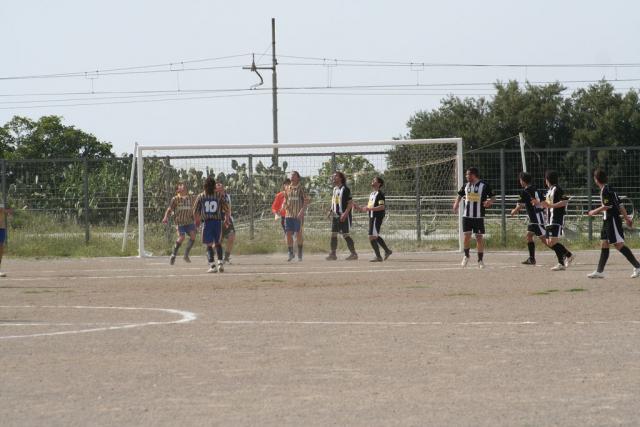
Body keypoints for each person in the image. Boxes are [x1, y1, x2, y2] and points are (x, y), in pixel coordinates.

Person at [586, 168, 640, 279]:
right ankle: (600, 271)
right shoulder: (609, 189)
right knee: (604, 243)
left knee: (618, 245)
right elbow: (620, 205)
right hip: (607, 220)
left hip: (612, 220)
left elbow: (607, 206)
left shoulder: (605, 190)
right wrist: (627, 218)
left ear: (596, 179)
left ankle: (638, 266)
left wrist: (593, 212)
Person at [453, 167, 495, 269]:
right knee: (466, 237)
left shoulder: (484, 185)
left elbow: (493, 197)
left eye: (468, 174)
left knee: (479, 238)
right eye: (466, 174)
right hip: (466, 216)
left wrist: (489, 202)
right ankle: (466, 256)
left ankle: (480, 260)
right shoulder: (466, 185)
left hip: (478, 217)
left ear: (474, 175)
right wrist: (456, 204)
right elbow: (460, 195)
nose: (466, 176)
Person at [192, 176, 230, 273]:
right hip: (217, 222)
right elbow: (226, 208)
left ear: (204, 186)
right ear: (214, 186)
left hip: (207, 223)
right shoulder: (218, 195)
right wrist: (227, 219)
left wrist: (197, 221)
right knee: (218, 243)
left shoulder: (201, 196)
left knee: (209, 245)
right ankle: (220, 263)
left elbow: (195, 210)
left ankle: (213, 266)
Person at [539, 170, 575, 271]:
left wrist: (551, 206)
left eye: (546, 178)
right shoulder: (549, 191)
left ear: (548, 179)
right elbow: (547, 204)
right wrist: (541, 205)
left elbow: (565, 201)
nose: (545, 181)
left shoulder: (557, 189)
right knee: (548, 242)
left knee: (552, 241)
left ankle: (561, 262)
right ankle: (568, 255)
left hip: (556, 218)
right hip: (549, 219)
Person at [510, 171, 548, 265]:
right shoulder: (535, 189)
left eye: (520, 180)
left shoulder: (525, 191)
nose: (520, 182)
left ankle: (564, 253)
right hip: (535, 217)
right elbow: (542, 201)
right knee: (529, 235)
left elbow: (520, 205)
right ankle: (532, 259)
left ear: (523, 181)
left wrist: (514, 211)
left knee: (545, 239)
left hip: (536, 218)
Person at [355, 176, 392, 262]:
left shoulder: (380, 194)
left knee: (371, 237)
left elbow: (382, 207)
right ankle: (387, 251)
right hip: (372, 217)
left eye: (374, 180)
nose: (372, 181)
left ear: (379, 184)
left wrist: (369, 209)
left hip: (377, 217)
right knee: (374, 236)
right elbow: (369, 207)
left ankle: (378, 256)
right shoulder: (372, 194)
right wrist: (360, 208)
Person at [162, 181, 197, 265]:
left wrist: (196, 218)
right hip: (180, 222)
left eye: (183, 185)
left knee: (193, 236)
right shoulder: (175, 199)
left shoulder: (191, 197)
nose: (183, 186)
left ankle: (186, 255)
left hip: (189, 221)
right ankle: (173, 255)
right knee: (182, 237)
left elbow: (195, 207)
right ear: (178, 189)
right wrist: (165, 217)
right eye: (180, 185)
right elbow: (169, 209)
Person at [326, 171, 358, 261]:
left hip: (343, 215)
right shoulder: (335, 189)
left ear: (340, 178)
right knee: (333, 234)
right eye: (333, 176)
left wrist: (345, 213)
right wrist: (330, 211)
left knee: (345, 235)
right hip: (335, 216)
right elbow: (334, 202)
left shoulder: (346, 189)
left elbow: (350, 203)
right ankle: (333, 254)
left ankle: (354, 254)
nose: (333, 178)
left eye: (335, 176)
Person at [283, 171, 310, 262]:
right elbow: (285, 200)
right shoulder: (287, 188)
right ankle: (290, 252)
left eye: (294, 175)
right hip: (288, 215)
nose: (292, 177)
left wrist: (302, 211)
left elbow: (306, 201)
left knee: (298, 233)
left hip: (298, 215)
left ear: (298, 178)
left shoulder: (301, 188)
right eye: (291, 175)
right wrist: (284, 206)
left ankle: (300, 252)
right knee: (288, 233)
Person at [216, 182, 236, 264]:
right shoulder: (213, 198)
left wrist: (229, 217)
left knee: (231, 237)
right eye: (217, 188)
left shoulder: (227, 196)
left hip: (227, 219)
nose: (219, 189)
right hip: (217, 220)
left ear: (223, 188)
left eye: (221, 187)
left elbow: (229, 208)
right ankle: (211, 255)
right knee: (218, 241)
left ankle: (226, 257)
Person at [0, 202, 13, 277]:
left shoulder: (3, 202)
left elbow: (9, 211)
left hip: (1, 228)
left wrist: (9, 212)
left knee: (1, 250)